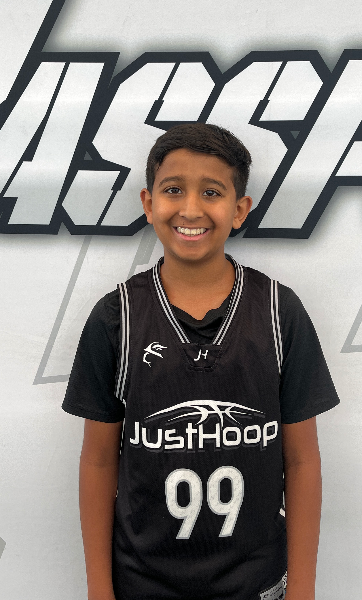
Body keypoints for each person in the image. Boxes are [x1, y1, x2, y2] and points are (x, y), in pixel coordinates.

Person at [62, 123, 339, 600]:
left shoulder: (279, 312)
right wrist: (98, 590)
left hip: (256, 583)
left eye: (211, 192)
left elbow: (301, 460)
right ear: (149, 203)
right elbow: (99, 460)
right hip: (142, 582)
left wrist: (303, 589)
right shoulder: (117, 317)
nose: (190, 209)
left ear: (239, 209)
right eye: (173, 190)